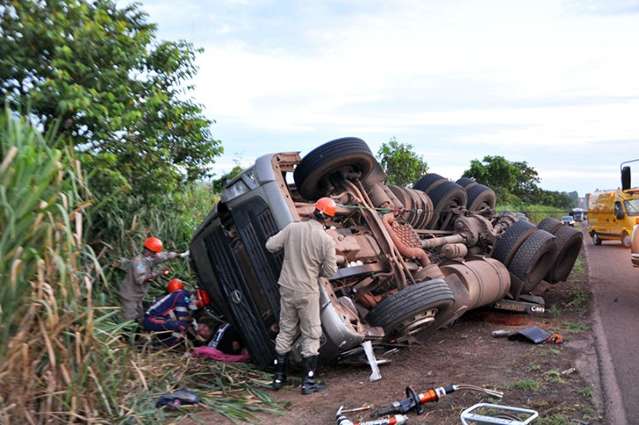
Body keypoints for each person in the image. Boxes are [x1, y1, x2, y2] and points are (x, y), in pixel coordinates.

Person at [265, 197, 338, 395]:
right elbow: (331, 271)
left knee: (286, 330)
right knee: (311, 333)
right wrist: (315, 270)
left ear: (314, 211)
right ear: (328, 219)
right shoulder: (326, 240)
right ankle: (308, 382)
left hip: (287, 287)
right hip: (307, 291)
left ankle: (278, 378)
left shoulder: (293, 228)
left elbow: (270, 246)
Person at [119, 236, 179, 322]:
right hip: (130, 296)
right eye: (155, 253)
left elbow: (161, 256)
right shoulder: (138, 263)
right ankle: (126, 334)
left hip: (138, 296)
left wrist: (174, 255)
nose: (156, 255)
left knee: (140, 316)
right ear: (150, 251)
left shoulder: (149, 258)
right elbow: (142, 280)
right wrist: (158, 273)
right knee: (129, 320)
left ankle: (139, 328)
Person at [142, 279, 211, 346]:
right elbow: (182, 318)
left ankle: (162, 346)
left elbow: (184, 321)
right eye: (198, 304)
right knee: (181, 326)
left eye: (205, 332)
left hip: (156, 319)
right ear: (196, 298)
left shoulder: (183, 297)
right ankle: (161, 346)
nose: (196, 307)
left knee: (181, 330)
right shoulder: (182, 297)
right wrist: (194, 332)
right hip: (151, 319)